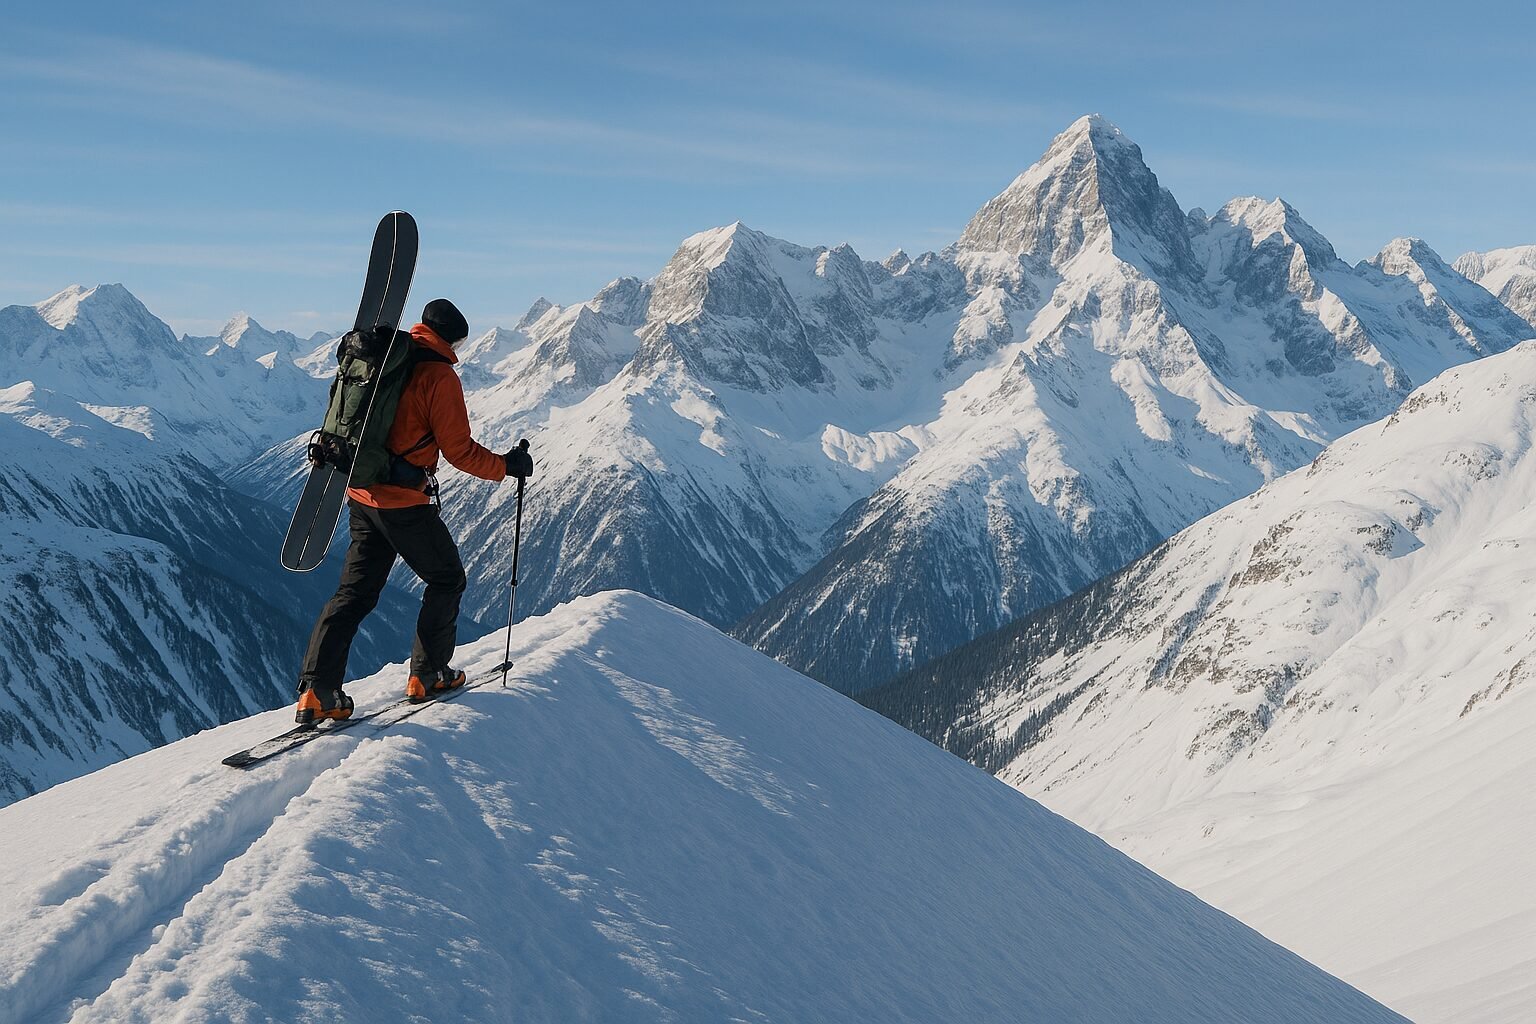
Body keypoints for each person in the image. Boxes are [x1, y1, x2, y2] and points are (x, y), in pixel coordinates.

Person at [294, 298, 535, 724]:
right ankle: (429, 674)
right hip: (402, 503)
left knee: (354, 594)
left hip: (361, 495)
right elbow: (459, 452)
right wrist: (506, 466)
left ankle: (317, 690)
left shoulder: (384, 359)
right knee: (446, 578)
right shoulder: (438, 377)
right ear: (454, 340)